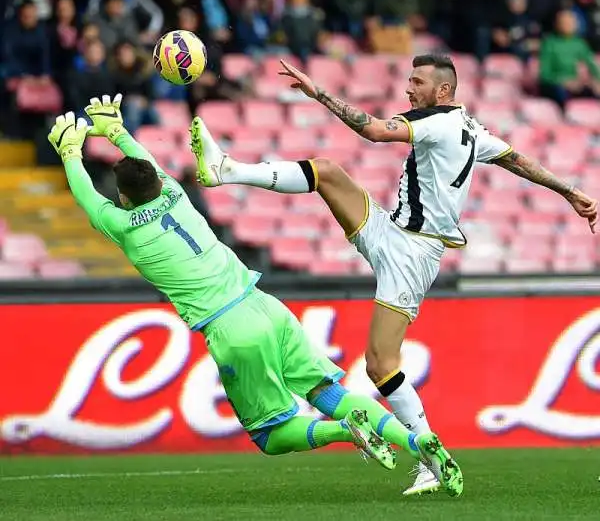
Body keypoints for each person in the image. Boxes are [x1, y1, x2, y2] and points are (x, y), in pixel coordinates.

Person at [193, 54, 599, 495]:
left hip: (413, 253)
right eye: (408, 80)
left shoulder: (436, 124)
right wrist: (569, 191)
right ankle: (226, 170)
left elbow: (372, 130)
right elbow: (518, 160)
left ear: (443, 91)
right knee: (327, 172)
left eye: (418, 82)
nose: (409, 88)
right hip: (391, 228)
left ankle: (429, 457)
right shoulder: (471, 129)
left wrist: (318, 93)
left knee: (380, 364)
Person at [46, 94, 464, 497]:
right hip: (266, 305)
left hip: (231, 328)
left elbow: (86, 197)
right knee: (327, 393)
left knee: (270, 435)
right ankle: (418, 444)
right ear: (157, 180)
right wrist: (116, 131)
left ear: (123, 199)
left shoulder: (125, 226)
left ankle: (343, 430)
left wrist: (69, 151)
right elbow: (146, 165)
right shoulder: (174, 190)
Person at [539, 9, 600, 108]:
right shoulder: (549, 44)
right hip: (557, 85)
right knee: (560, 92)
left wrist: (596, 81)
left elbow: (592, 65)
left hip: (578, 84)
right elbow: (545, 75)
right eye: (565, 22)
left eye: (572, 22)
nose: (569, 25)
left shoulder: (580, 43)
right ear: (557, 24)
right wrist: (564, 81)